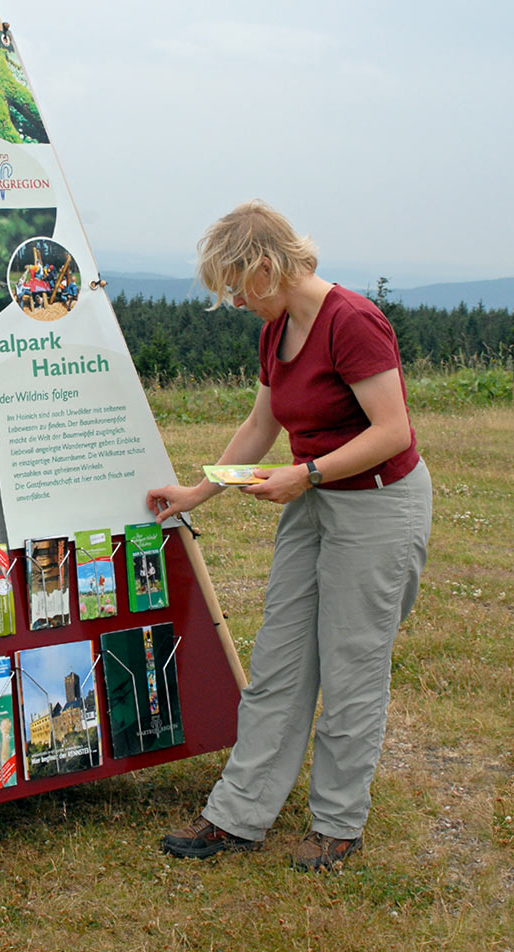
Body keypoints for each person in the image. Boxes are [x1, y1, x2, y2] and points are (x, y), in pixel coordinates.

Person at [146, 200, 431, 872]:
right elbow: (260, 426)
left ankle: (337, 823)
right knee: (278, 659)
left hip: (377, 504)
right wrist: (200, 490)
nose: (235, 302)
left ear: (267, 268)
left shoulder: (353, 322)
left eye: (236, 287)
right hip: (317, 499)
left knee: (352, 665)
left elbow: (392, 432)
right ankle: (238, 815)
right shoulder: (277, 331)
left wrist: (306, 474)